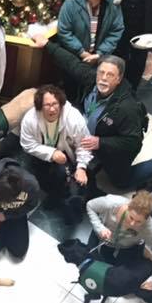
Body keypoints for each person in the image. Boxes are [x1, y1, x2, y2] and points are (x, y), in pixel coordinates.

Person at [45, 53, 152, 190]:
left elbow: (133, 141)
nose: (103, 78)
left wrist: (100, 143)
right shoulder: (93, 80)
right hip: (95, 133)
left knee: (120, 181)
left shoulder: (127, 108)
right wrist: (47, 44)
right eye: (101, 72)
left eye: (110, 75)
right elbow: (72, 64)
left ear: (119, 79)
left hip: (118, 147)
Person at [19, 85, 91, 226]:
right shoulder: (30, 119)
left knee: (65, 178)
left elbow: (84, 145)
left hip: (67, 155)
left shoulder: (74, 118)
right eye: (47, 105)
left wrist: (82, 167)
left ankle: (65, 205)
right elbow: (27, 144)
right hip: (41, 153)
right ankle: (54, 194)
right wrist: (51, 153)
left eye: (55, 104)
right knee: (43, 179)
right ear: (40, 106)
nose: (52, 109)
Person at [53, 0, 124, 99]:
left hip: (97, 58)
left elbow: (116, 30)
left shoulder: (113, 6)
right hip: (73, 57)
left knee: (90, 91)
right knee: (71, 91)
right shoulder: (71, 3)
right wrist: (82, 52)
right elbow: (64, 31)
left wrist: (100, 53)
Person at [85, 191, 152, 300]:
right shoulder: (111, 203)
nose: (133, 224)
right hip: (102, 236)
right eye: (131, 217)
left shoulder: (149, 227)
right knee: (89, 264)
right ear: (128, 207)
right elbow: (90, 205)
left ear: (147, 219)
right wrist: (99, 227)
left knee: (122, 280)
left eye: (139, 221)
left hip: (127, 247)